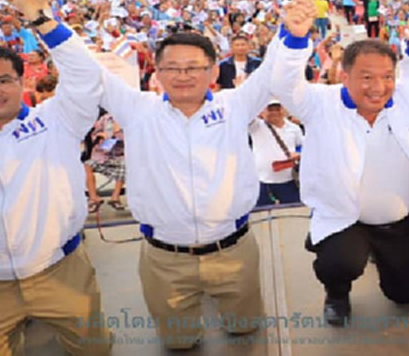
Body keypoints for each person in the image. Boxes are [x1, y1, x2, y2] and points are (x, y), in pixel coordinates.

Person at [272, 1, 409, 326]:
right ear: (343, 74)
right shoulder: (319, 104)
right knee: (339, 263)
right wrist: (295, 40)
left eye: (386, 76)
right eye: (366, 77)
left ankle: (384, 258)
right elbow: (283, 86)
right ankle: (336, 291)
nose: (378, 87)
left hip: (398, 221)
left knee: (407, 294)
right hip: (344, 217)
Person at [95, 19, 283, 348]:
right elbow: (86, 71)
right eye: (173, 67)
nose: (183, 75)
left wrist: (292, 34)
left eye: (194, 67)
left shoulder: (234, 105)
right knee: (179, 344)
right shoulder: (137, 110)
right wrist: (43, 21)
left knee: (245, 329)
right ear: (157, 72)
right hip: (164, 259)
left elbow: (272, 73)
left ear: (213, 71)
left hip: (234, 250)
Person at [0, 0, 112, 355]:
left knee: (92, 349)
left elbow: (85, 77)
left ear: (22, 83)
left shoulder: (56, 120)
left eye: (3, 79)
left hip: (61, 272)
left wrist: (40, 17)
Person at [250, 100, 303, 207]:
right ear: (262, 112)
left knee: (294, 215)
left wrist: (298, 154)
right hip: (263, 181)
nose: (274, 112)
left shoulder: (294, 129)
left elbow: (303, 146)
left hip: (289, 180)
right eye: (270, 109)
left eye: (277, 109)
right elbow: (245, 113)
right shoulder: (256, 126)